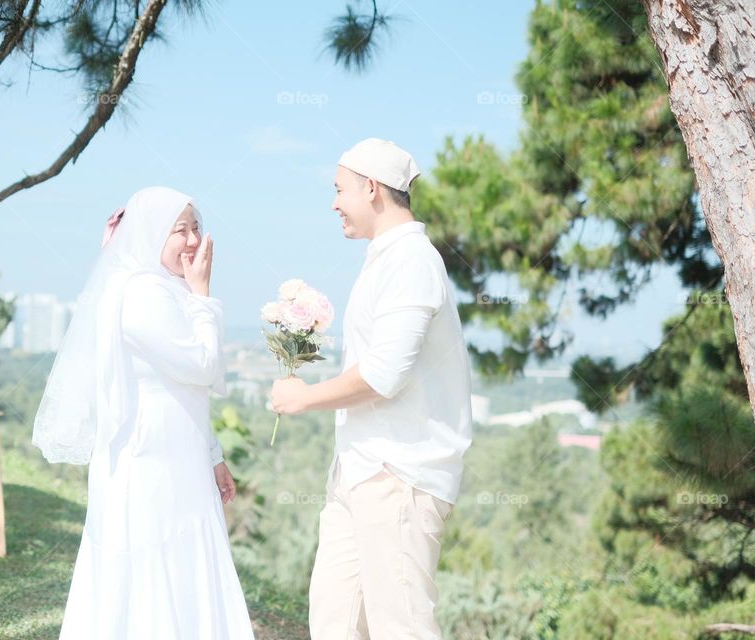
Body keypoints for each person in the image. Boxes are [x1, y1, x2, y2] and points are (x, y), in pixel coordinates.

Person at [270, 138, 473, 639]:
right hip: (358, 472)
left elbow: (385, 375)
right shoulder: (385, 258)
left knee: (401, 626)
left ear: (371, 188)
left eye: (340, 190)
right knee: (334, 622)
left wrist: (303, 398)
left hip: (400, 475)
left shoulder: (412, 261)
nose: (334, 203)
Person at [32, 186, 254, 639]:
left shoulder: (163, 289)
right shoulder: (141, 295)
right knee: (153, 579)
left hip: (181, 463)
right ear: (152, 234)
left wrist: (213, 455)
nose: (193, 240)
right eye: (179, 230)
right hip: (150, 469)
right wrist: (204, 295)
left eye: (197, 227)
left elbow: (186, 391)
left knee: (185, 570)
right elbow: (202, 364)